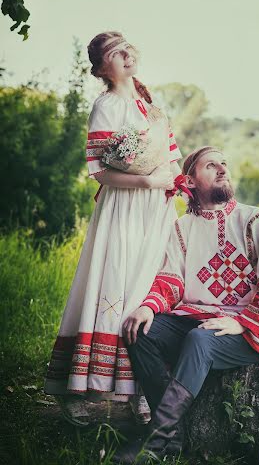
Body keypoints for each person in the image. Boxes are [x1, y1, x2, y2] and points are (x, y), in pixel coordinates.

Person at [113, 145, 259, 465]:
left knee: (201, 339)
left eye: (225, 163)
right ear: (191, 180)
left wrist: (243, 322)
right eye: (212, 165)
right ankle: (173, 439)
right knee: (141, 330)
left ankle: (156, 441)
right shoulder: (180, 228)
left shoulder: (254, 219)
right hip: (194, 318)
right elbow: (171, 280)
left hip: (246, 330)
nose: (223, 169)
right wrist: (148, 307)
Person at [44, 31, 186, 425]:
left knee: (147, 286)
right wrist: (146, 182)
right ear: (101, 68)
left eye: (126, 49)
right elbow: (99, 171)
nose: (124, 56)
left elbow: (172, 159)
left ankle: (139, 388)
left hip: (157, 209)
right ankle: (78, 385)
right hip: (124, 206)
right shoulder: (105, 106)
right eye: (113, 54)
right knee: (114, 283)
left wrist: (175, 184)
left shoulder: (150, 106)